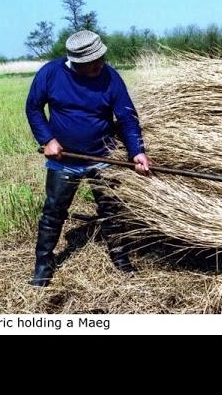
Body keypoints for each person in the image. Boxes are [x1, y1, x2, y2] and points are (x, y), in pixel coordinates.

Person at [26, 30, 151, 287]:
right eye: (92, 63)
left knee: (112, 210)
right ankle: (43, 265)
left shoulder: (110, 77)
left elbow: (127, 117)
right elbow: (34, 108)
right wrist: (47, 139)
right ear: (75, 62)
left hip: (104, 158)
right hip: (64, 160)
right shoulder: (51, 73)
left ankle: (120, 257)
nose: (99, 65)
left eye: (101, 58)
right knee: (53, 213)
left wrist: (136, 151)